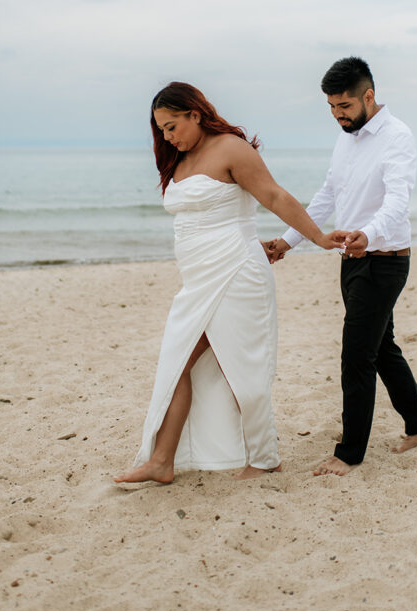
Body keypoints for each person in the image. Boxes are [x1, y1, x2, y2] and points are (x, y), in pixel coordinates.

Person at [115, 82, 346, 485]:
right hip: (199, 281)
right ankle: (162, 461)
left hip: (237, 274)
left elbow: (273, 197)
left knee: (241, 369)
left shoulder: (232, 149)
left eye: (172, 126)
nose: (168, 137)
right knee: (177, 363)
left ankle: (263, 457)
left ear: (195, 114)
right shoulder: (180, 159)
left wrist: (319, 239)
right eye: (161, 131)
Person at [266, 57, 417, 476]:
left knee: (356, 355)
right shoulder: (346, 138)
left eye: (343, 106)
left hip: (385, 261)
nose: (337, 115)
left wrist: (369, 234)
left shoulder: (397, 137)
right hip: (352, 260)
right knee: (381, 347)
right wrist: (288, 242)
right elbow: (327, 195)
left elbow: (399, 202)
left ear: (369, 96)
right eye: (330, 107)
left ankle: (350, 454)